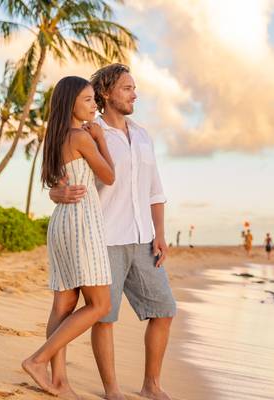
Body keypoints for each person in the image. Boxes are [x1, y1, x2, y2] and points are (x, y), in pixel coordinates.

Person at [49, 64, 175, 400]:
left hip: (144, 238)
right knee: (104, 317)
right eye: (127, 88)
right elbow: (61, 176)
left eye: (134, 88)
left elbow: (155, 190)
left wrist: (160, 233)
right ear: (106, 93)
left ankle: (152, 385)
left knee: (164, 310)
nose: (135, 94)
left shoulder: (143, 134)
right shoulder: (89, 129)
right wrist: (55, 193)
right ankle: (112, 390)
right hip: (103, 237)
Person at [22, 76, 115, 398]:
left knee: (64, 303)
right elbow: (109, 176)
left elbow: (56, 183)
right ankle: (38, 360)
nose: (95, 105)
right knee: (100, 305)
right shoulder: (81, 136)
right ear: (71, 103)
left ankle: (59, 380)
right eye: (88, 100)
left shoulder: (56, 137)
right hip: (82, 223)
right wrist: (101, 139)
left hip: (62, 222)